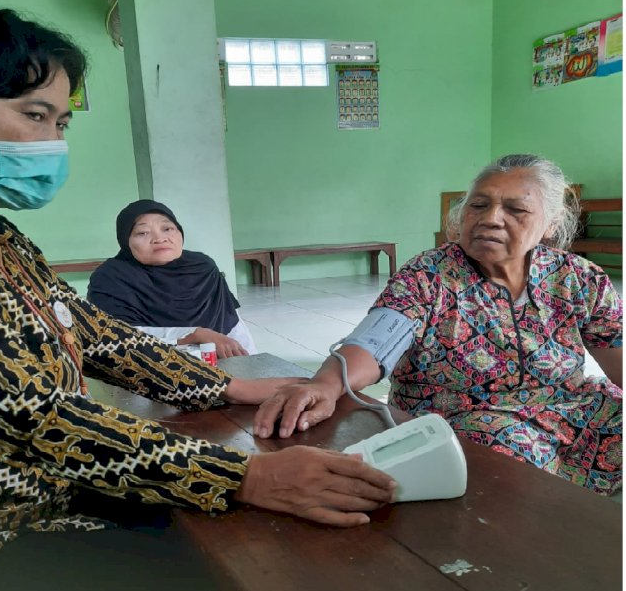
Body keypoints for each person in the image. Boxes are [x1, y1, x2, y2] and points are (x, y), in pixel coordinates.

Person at [0, 0, 397, 591]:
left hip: (50, 497)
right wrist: (246, 477)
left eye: (61, 123)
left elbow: (93, 333)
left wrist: (227, 386)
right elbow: (32, 416)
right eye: (34, 115)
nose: (52, 141)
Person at [255, 154, 622, 496]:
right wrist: (326, 383)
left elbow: (616, 358)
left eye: (516, 209)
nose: (491, 218)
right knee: (508, 457)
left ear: (550, 224)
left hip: (570, 407)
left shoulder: (577, 277)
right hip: (473, 417)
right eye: (479, 204)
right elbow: (373, 341)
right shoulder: (429, 274)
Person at [87, 199, 256, 358]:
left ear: (179, 232)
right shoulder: (110, 278)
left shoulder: (202, 267)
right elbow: (115, 336)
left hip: (215, 362)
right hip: (148, 368)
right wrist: (193, 335)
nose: (160, 238)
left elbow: (231, 322)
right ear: (126, 241)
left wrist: (251, 360)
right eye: (143, 232)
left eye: (167, 229)